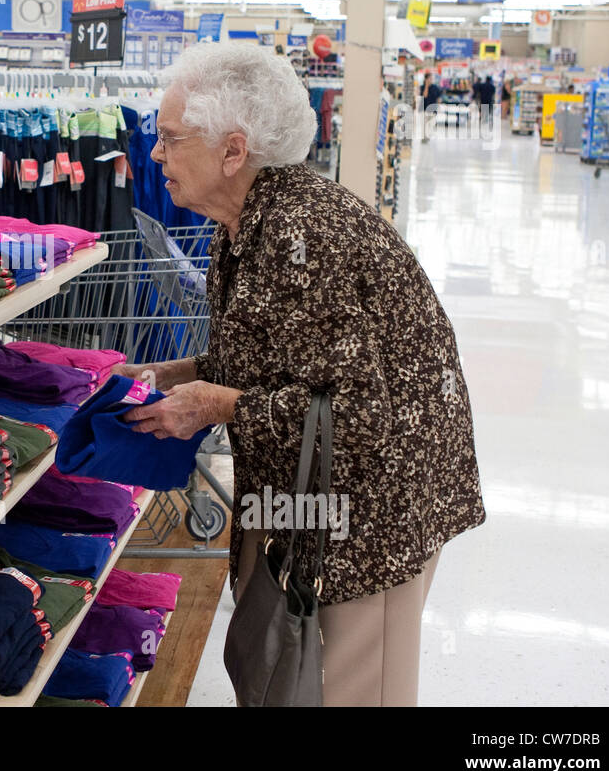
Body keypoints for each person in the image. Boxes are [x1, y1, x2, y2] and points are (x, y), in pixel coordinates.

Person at [117, 43, 485, 707]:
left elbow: (359, 418)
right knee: (286, 677)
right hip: (306, 499)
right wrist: (177, 372)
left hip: (370, 517)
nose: (155, 154)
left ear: (234, 150)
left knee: (349, 688)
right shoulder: (245, 224)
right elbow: (278, 357)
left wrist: (212, 403)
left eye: (170, 138)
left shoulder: (306, 235)